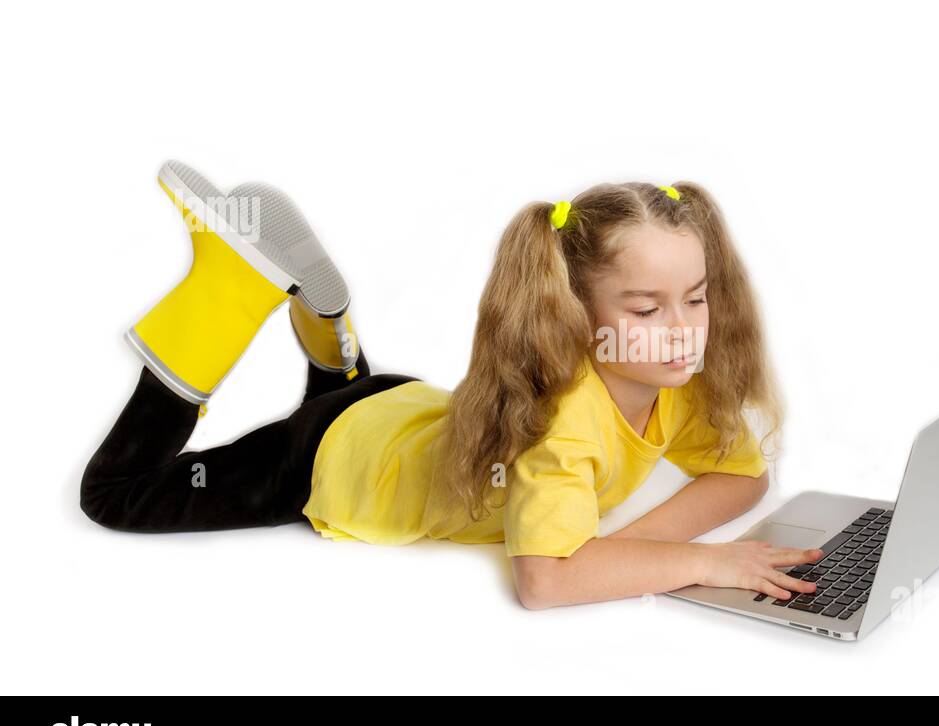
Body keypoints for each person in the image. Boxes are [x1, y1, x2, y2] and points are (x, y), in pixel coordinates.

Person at [80, 161, 823, 609]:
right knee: (111, 496)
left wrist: (619, 544)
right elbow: (545, 584)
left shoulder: (671, 380)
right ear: (575, 311)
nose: (682, 329)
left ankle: (334, 351)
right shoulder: (562, 429)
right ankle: (230, 292)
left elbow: (742, 477)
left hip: (400, 411)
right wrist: (704, 561)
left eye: (695, 297)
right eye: (645, 308)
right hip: (324, 464)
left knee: (344, 403)